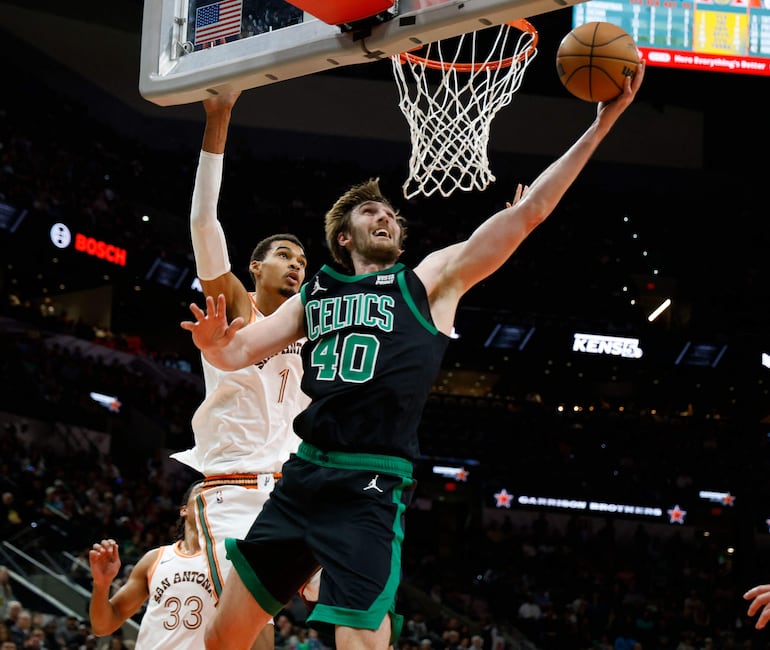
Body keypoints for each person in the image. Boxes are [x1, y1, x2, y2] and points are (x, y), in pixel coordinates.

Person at [182, 61, 646, 650]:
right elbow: (240, 352)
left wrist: (603, 122)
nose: (386, 216)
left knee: (359, 637)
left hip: (370, 482)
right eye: (370, 212)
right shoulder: (314, 291)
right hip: (302, 475)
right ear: (343, 237)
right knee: (223, 639)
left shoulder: (429, 283)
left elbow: (531, 212)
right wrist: (213, 344)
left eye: (391, 214)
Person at [168, 90, 317, 650]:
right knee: (243, 627)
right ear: (255, 267)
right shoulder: (234, 303)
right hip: (231, 488)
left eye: (302, 260)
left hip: (293, 492)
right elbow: (205, 224)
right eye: (285, 255)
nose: (297, 265)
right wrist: (219, 118)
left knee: (339, 607)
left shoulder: (313, 325)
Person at [88, 481, 214, 649]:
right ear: (184, 510)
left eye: (216, 495)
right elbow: (103, 626)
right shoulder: (155, 558)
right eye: (202, 492)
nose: (210, 497)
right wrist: (102, 584)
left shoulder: (228, 562)